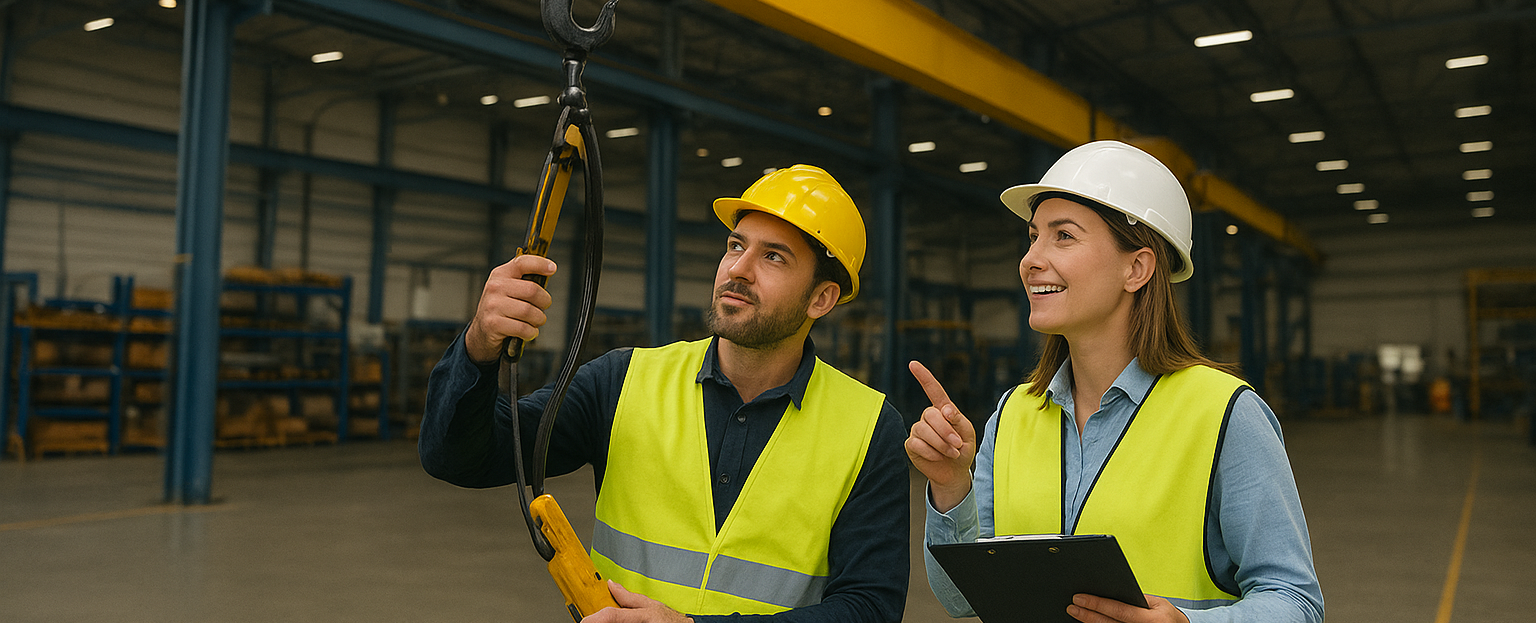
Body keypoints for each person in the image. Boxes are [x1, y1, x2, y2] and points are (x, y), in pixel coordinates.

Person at [421, 165, 909, 623]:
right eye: (735, 245)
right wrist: (479, 345)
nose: (738, 269)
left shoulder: (868, 428)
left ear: (821, 298)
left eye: (773, 256)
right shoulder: (622, 382)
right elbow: (459, 457)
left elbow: (869, 608)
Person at [906, 141, 1324, 623]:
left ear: (1136, 268)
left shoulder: (1224, 415)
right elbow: (962, 599)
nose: (1031, 259)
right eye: (1033, 237)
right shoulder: (1013, 415)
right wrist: (951, 487)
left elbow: (1296, 601)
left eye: (1063, 236)